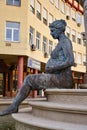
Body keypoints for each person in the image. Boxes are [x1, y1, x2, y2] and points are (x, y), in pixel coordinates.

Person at [0, 19, 74, 116]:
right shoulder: (61, 42)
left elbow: (70, 61)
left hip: (64, 79)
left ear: (59, 30)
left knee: (29, 79)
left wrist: (52, 68)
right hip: (58, 76)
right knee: (30, 79)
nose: (51, 33)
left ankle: (14, 106)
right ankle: (14, 106)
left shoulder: (65, 41)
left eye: (52, 31)